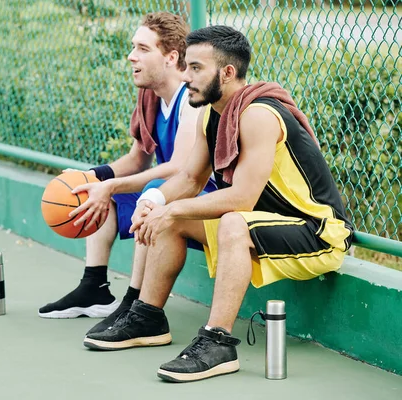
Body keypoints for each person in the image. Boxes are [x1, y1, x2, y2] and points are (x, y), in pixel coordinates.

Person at [83, 25, 354, 383]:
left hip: (317, 231)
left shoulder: (258, 115)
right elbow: (191, 178)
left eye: (196, 68)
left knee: (230, 221)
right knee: (174, 220)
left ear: (227, 73)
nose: (185, 76)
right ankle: (148, 318)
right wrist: (156, 200)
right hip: (266, 223)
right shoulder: (213, 114)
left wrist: (174, 208)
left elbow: (242, 198)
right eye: (186, 66)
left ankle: (218, 343)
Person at [38, 12, 217, 324]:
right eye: (133, 47)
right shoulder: (149, 96)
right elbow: (137, 159)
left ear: (171, 57)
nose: (131, 56)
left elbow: (180, 169)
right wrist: (94, 177)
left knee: (150, 192)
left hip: (205, 196)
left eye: (143, 49)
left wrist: (114, 184)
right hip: (170, 193)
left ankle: (134, 302)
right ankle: (94, 287)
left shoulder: (190, 100)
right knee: (98, 193)